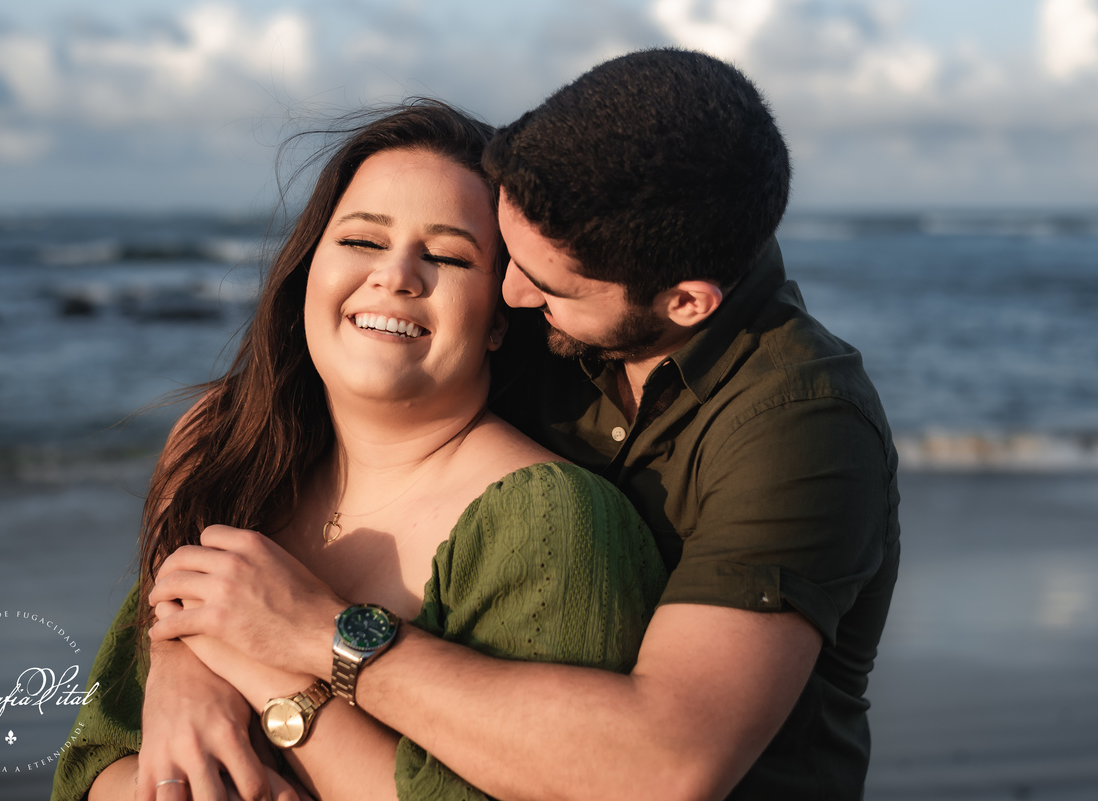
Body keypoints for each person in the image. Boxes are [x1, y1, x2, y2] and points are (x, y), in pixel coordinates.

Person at [141, 47, 901, 801]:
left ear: (686, 303)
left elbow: (665, 765)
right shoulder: (572, 286)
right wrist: (184, 659)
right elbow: (246, 417)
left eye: (542, 283)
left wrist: (311, 635)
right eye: (507, 255)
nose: (512, 292)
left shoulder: (801, 425)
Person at [49, 101, 666, 801]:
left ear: (500, 314)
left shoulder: (552, 520)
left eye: (446, 254)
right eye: (363, 241)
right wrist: (178, 683)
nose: (397, 275)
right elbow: (94, 755)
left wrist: (246, 659)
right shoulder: (230, 450)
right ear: (310, 266)